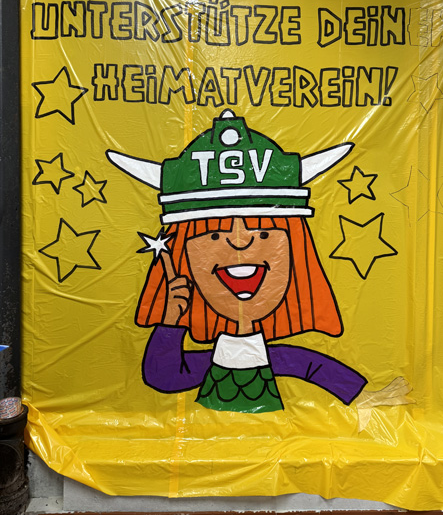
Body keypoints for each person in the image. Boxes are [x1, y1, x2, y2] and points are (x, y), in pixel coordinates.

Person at [107, 110, 412, 417]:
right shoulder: (222, 356)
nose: (240, 242)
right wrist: (170, 322)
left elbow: (311, 365)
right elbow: (164, 376)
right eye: (215, 235)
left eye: (262, 232)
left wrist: (365, 396)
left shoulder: (270, 355)